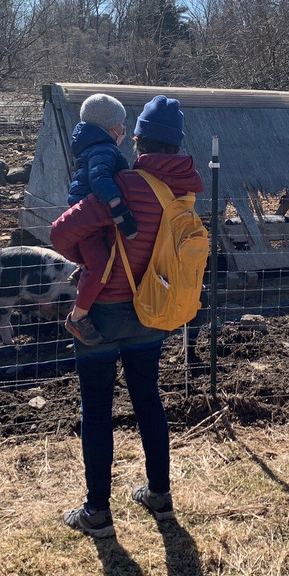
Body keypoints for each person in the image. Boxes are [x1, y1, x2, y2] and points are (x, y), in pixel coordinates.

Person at [50, 95, 203, 538]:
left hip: (101, 314)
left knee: (96, 409)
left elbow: (61, 230)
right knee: (148, 399)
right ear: (178, 146)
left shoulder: (126, 183)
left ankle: (97, 513)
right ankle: (159, 494)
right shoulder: (187, 192)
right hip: (153, 310)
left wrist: (84, 253)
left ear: (138, 140)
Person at [64, 93, 139, 346]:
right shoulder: (103, 149)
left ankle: (85, 270)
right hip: (89, 219)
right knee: (101, 265)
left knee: (99, 258)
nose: (124, 130)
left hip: (86, 215)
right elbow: (99, 179)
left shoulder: (92, 146)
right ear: (109, 126)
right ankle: (78, 318)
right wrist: (118, 207)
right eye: (121, 124)